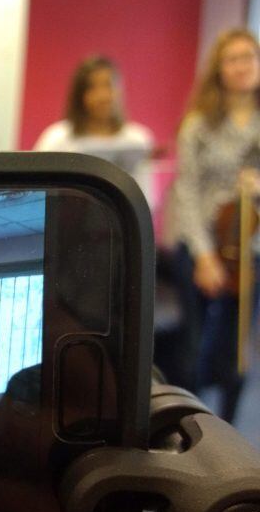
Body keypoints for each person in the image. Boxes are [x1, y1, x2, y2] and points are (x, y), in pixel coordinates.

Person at [162, 28, 260, 423]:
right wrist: (204, 256)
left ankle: (232, 433)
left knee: (237, 349)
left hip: (251, 250)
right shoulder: (199, 125)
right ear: (219, 69)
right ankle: (193, 430)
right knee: (194, 347)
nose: (243, 66)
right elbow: (185, 191)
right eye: (233, 59)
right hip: (203, 245)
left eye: (249, 57)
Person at [33, 55, 155, 200]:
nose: (102, 96)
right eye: (92, 88)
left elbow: (145, 199)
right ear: (80, 95)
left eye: (108, 85)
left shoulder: (138, 140)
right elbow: (37, 190)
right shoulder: (56, 138)